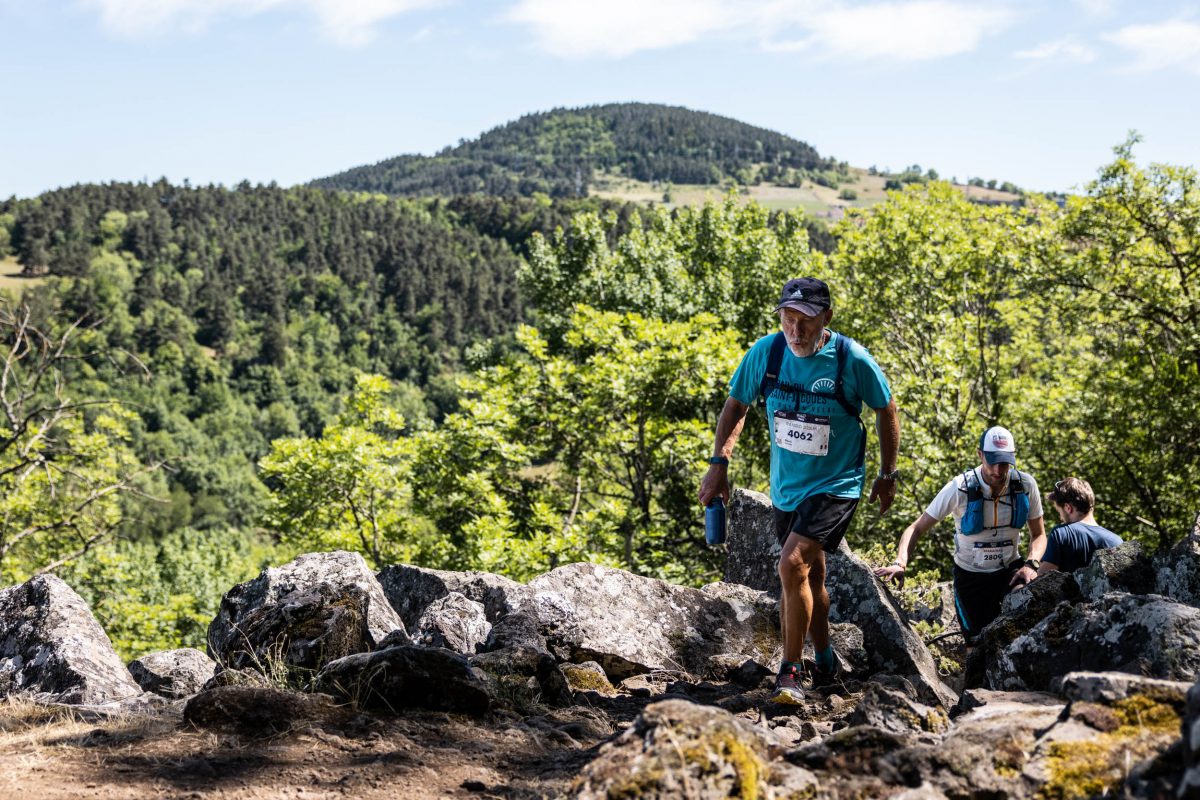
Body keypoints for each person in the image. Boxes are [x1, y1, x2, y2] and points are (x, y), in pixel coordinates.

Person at [698, 277, 899, 704]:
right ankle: (827, 660)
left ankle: (790, 673)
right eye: (788, 319)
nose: (795, 331)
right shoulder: (767, 353)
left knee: (791, 565)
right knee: (812, 575)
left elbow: (886, 408)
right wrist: (719, 464)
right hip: (788, 486)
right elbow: (736, 405)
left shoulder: (851, 360)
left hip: (837, 482)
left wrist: (887, 474)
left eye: (805, 321)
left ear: (826, 317)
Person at [873, 426, 1046, 643]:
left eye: (1004, 463)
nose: (997, 470)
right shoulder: (960, 487)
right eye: (992, 461)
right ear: (980, 454)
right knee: (975, 644)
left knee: (1018, 629)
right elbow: (915, 528)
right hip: (970, 577)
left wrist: (1031, 564)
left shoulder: (1025, 485)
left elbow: (1039, 535)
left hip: (1009, 572)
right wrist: (900, 562)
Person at [1038, 477, 1122, 574]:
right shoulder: (1117, 541)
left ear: (1068, 508)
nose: (1061, 517)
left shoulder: (1061, 533)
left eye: (1059, 512)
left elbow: (1041, 578)